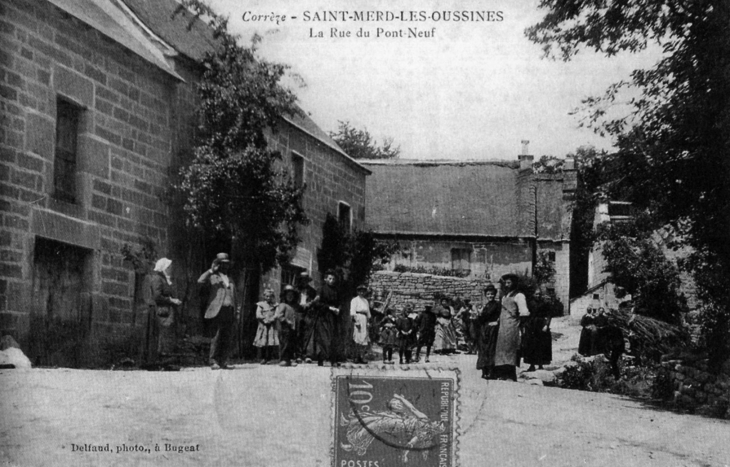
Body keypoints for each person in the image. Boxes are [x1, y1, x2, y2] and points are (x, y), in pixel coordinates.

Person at [198, 253, 238, 370]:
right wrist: (211, 270)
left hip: (229, 311)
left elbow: (235, 296)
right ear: (218, 265)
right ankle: (213, 361)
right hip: (218, 310)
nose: (225, 266)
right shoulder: (213, 277)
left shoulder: (230, 279)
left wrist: (237, 311)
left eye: (227, 264)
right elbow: (200, 281)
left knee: (227, 336)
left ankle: (224, 361)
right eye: (223, 264)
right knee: (216, 336)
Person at [493, 274, 530, 381]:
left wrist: (520, 327)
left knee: (510, 349)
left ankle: (511, 374)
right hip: (503, 327)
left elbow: (524, 312)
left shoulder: (519, 296)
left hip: (512, 326)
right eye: (506, 283)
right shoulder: (505, 296)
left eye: (509, 283)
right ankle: (503, 373)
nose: (507, 285)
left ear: (514, 284)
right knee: (502, 349)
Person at [148, 258, 182, 366]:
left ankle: (166, 360)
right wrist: (172, 300)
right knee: (162, 336)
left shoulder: (166, 280)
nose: (171, 269)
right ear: (164, 268)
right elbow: (157, 296)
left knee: (168, 336)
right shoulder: (157, 279)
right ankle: (159, 360)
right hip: (162, 312)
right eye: (169, 267)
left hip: (168, 312)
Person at [311, 270, 341, 366]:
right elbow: (317, 303)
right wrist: (329, 307)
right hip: (323, 317)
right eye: (330, 278)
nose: (332, 280)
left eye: (333, 279)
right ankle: (322, 358)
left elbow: (339, 303)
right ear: (325, 279)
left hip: (333, 317)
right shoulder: (321, 290)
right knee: (324, 338)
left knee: (333, 337)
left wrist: (338, 309)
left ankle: (333, 360)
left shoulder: (336, 291)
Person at [522, 290, 553, 371]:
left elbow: (549, 314)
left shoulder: (544, 303)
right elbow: (525, 314)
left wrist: (546, 325)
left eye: (539, 294)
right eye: (536, 294)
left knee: (541, 344)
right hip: (531, 325)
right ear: (533, 294)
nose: (538, 295)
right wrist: (525, 325)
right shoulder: (529, 303)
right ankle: (531, 365)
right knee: (531, 345)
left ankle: (540, 364)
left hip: (541, 324)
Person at [475, 285, 500, 379]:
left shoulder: (497, 305)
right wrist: (479, 314)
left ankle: (491, 371)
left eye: (492, 294)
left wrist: (496, 322)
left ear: (495, 294)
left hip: (492, 329)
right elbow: (481, 319)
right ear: (486, 295)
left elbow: (500, 316)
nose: (490, 296)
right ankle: (484, 370)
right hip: (484, 329)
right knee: (483, 349)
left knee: (491, 349)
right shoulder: (486, 306)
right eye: (488, 294)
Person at [296, 272, 318, 363]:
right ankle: (298, 354)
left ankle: (307, 355)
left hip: (308, 313)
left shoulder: (312, 291)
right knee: (298, 332)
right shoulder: (296, 290)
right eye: (302, 280)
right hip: (298, 312)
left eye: (305, 280)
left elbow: (315, 301)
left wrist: (309, 304)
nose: (304, 282)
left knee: (308, 333)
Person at [275, 285, 299, 367]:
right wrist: (286, 320)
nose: (290, 297)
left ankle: (290, 359)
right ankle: (284, 359)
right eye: (288, 295)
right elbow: (279, 315)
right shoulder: (283, 305)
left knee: (291, 344)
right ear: (284, 296)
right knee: (285, 344)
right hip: (284, 328)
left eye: (292, 295)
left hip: (292, 328)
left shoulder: (293, 306)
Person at [253, 289, 279, 364]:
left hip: (271, 326)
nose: (268, 298)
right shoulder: (260, 305)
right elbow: (258, 314)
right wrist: (264, 319)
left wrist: (271, 320)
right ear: (264, 296)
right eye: (267, 296)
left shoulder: (275, 305)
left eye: (270, 296)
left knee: (270, 341)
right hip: (263, 325)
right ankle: (263, 357)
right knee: (263, 341)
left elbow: (276, 314)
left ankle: (269, 358)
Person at [350, 284, 371, 364]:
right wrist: (356, 322)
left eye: (363, 291)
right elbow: (352, 312)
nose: (362, 293)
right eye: (360, 291)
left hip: (364, 319)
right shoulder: (354, 300)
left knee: (364, 338)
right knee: (357, 338)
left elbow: (368, 312)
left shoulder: (366, 301)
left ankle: (362, 357)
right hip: (358, 318)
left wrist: (368, 322)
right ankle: (356, 357)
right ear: (357, 292)